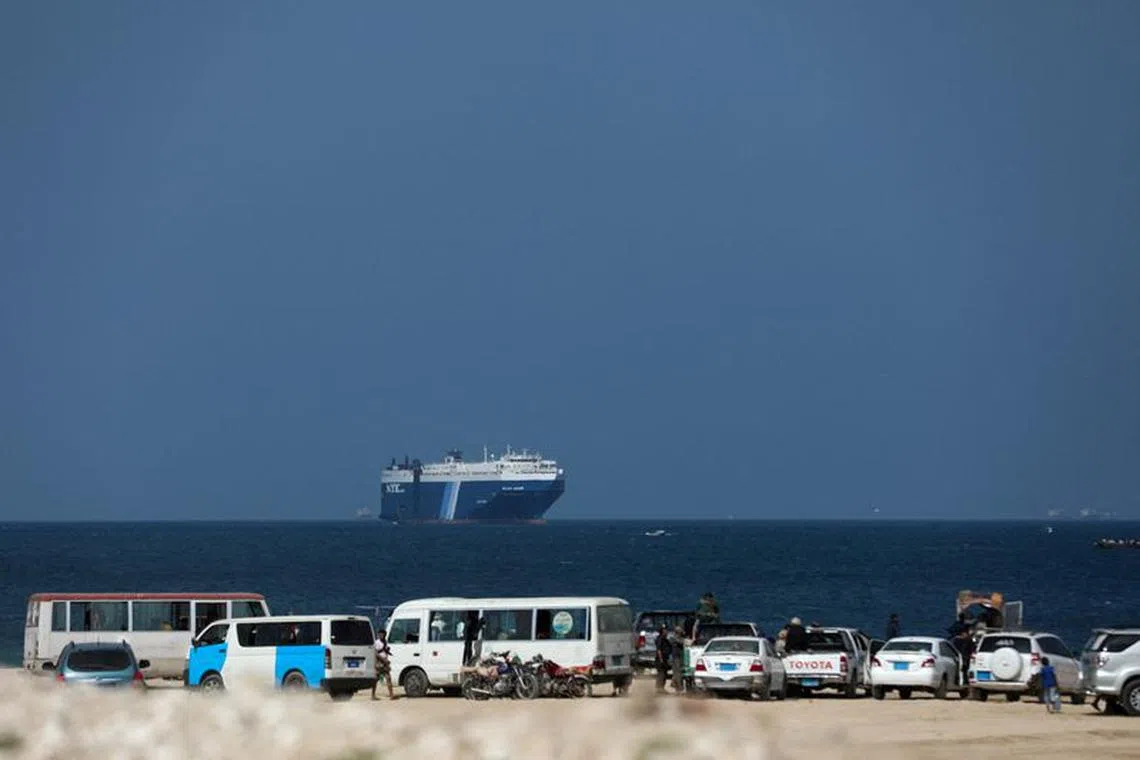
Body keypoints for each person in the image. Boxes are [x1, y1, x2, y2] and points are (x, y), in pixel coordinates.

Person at [372, 629, 395, 700]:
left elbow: (385, 651)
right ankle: (373, 695)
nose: (381, 635)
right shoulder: (376, 643)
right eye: (380, 634)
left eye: (383, 634)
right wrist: (384, 660)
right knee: (375, 679)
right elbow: (376, 653)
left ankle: (391, 695)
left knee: (388, 678)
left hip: (385, 663)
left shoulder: (385, 642)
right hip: (379, 662)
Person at [654, 624, 672, 693]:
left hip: (665, 658)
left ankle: (662, 688)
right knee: (661, 674)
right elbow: (659, 650)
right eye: (665, 630)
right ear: (662, 631)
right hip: (660, 659)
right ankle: (659, 688)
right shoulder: (660, 639)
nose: (666, 632)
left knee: (664, 673)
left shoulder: (665, 639)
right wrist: (661, 659)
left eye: (666, 630)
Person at [669, 625, 686, 693]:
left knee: (678, 672)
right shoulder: (674, 638)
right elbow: (680, 642)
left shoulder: (679, 638)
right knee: (677, 672)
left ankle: (677, 686)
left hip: (679, 656)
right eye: (680, 631)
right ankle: (679, 687)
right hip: (676, 657)